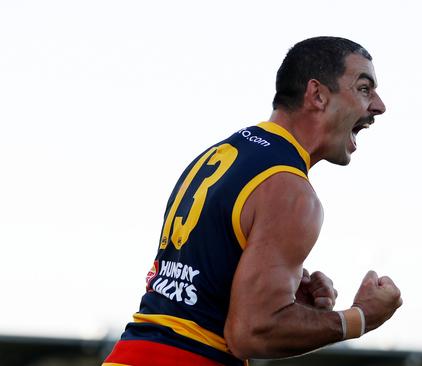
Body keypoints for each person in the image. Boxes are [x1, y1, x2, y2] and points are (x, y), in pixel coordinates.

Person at [103, 36, 403, 366]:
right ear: (317, 95)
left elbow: (196, 294)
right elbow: (251, 332)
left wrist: (289, 306)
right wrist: (361, 318)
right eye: (364, 88)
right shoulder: (291, 189)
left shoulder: (220, 154)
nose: (379, 106)